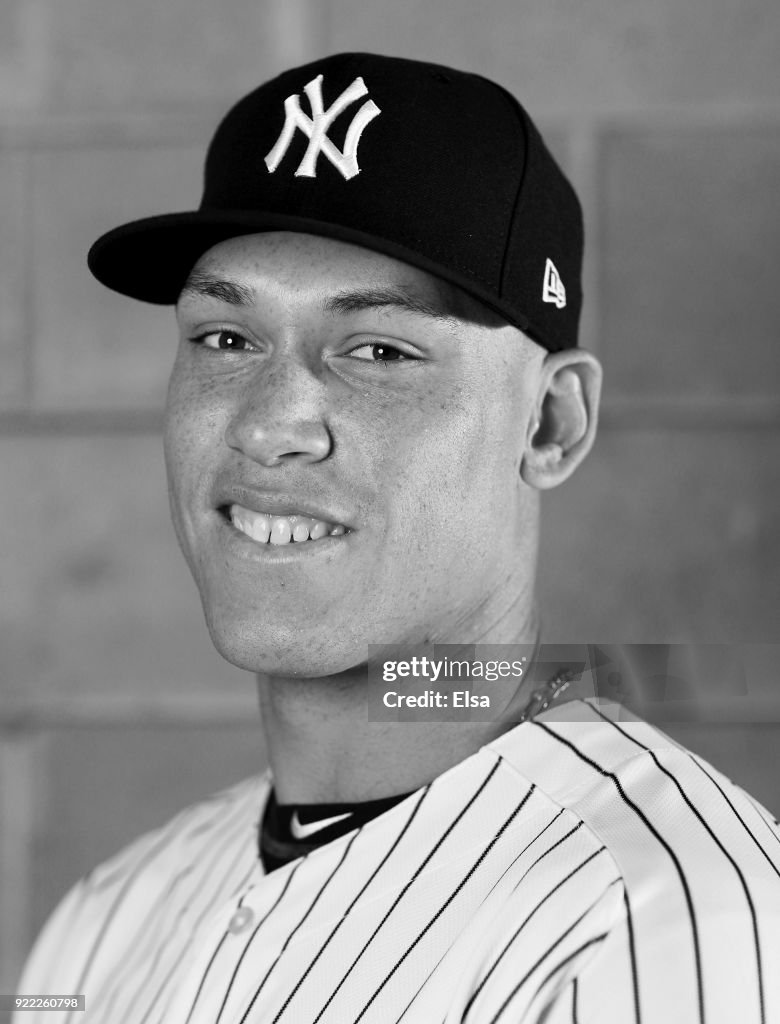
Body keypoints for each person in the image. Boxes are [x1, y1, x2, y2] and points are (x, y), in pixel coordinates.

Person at [14, 52, 780, 1024]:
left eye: (379, 350)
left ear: (551, 423)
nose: (268, 423)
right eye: (225, 339)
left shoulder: (659, 918)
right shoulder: (100, 924)